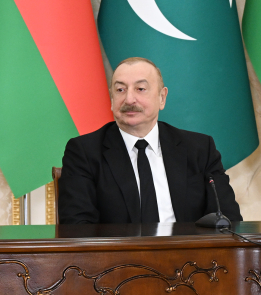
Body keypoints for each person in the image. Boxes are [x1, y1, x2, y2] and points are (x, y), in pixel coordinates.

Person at [58, 56, 242, 225]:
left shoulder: (199, 149)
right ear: (112, 99)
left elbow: (228, 220)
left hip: (189, 258)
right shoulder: (84, 152)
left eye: (140, 89)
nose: (129, 99)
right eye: (120, 90)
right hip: (117, 259)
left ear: (162, 97)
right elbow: (78, 227)